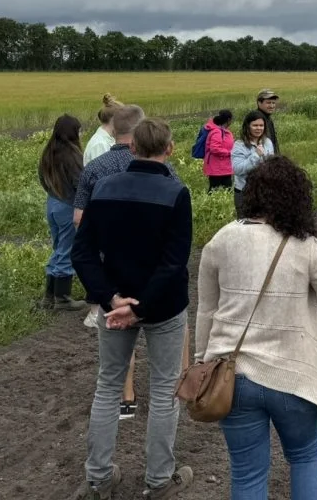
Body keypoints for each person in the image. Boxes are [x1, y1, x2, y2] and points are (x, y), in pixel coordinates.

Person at [196, 157, 317, 499]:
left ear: (251, 194)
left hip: (231, 375)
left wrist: (200, 361)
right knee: (304, 455)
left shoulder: (221, 240)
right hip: (293, 377)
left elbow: (206, 310)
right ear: (297, 198)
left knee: (247, 474)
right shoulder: (307, 246)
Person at [71, 118, 195, 500]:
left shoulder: (105, 188)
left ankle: (98, 479)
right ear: (169, 150)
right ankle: (159, 481)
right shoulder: (177, 192)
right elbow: (174, 262)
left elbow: (83, 252)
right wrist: (140, 309)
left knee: (108, 387)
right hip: (163, 307)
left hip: (115, 303)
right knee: (162, 390)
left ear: (132, 148)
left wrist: (111, 298)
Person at [74, 104, 177, 418]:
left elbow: (79, 220)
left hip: (108, 273)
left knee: (113, 357)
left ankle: (126, 398)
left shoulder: (94, 170)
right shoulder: (168, 174)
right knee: (164, 372)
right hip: (153, 273)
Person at [37, 114, 88, 311]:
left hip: (53, 203)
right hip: (68, 206)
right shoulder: (72, 156)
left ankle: (49, 297)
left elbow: (42, 178)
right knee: (67, 249)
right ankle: (62, 298)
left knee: (58, 248)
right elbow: (80, 184)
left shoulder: (48, 152)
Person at [232, 110, 276, 217]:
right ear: (247, 126)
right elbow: (237, 169)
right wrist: (256, 156)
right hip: (245, 192)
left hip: (265, 191)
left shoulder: (268, 142)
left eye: (261, 125)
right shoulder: (239, 145)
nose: (258, 128)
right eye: (255, 125)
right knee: (246, 226)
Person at [84, 94, 123, 165]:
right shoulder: (99, 144)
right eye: (122, 119)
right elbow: (101, 173)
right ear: (114, 119)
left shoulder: (108, 140)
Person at [202, 109, 236, 192]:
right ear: (228, 120)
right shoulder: (217, 132)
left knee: (227, 190)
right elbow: (214, 149)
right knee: (214, 190)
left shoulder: (225, 132)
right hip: (216, 168)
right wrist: (229, 153)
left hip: (225, 167)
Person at [257, 89, 281, 154]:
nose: (271, 106)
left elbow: (273, 142)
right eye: (268, 103)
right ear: (259, 103)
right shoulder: (256, 119)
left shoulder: (268, 119)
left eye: (273, 103)